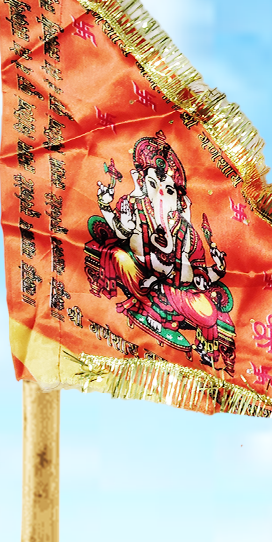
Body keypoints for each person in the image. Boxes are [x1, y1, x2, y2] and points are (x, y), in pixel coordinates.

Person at [84, 131, 234, 370]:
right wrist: (105, 205)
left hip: (176, 291)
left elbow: (197, 273)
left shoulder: (187, 232)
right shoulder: (132, 205)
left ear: (178, 198)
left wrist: (215, 269)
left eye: (169, 190)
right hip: (141, 276)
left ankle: (205, 351)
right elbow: (121, 233)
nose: (161, 195)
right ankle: (142, 309)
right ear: (143, 183)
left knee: (208, 314)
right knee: (120, 258)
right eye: (154, 185)